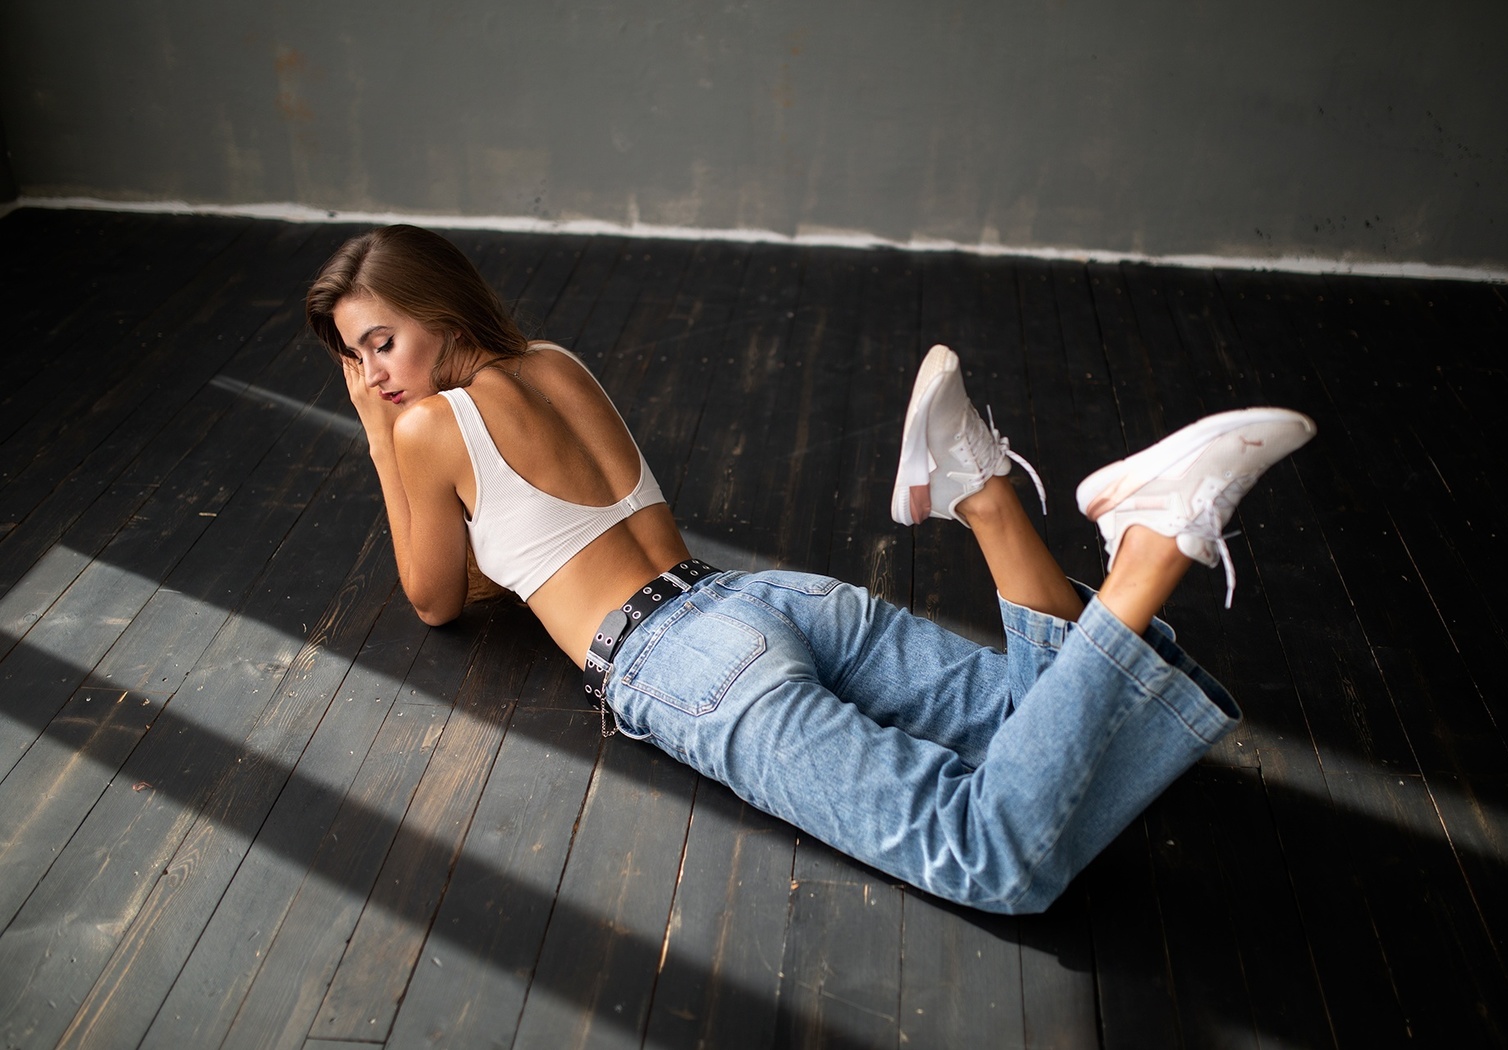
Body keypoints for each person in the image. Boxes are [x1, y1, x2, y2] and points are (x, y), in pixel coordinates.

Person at [306, 225, 1315, 915]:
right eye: (358, 363)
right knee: (1071, 718)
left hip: (684, 662)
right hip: (761, 595)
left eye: (380, 344)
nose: (375, 378)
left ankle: (1155, 545)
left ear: (439, 311)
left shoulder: (428, 426)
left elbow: (437, 597)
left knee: (989, 857)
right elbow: (518, 550)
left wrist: (381, 440)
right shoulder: (556, 363)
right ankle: (978, 485)